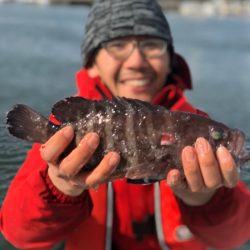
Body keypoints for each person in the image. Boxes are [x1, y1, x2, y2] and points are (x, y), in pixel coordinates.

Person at [1, 0, 250, 249]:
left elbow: (236, 237)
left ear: (170, 58)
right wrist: (60, 185)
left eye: (152, 45)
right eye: (118, 45)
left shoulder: (194, 120)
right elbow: (20, 234)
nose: (136, 61)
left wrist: (206, 196)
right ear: (92, 64)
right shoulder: (66, 136)